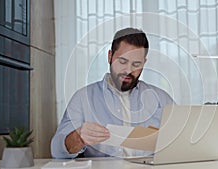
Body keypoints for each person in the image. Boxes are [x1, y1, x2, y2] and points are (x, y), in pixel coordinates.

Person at [51, 27, 174, 158]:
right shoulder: (82, 98)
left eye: (136, 64)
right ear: (110, 56)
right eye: (122, 61)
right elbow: (57, 151)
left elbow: (181, 143)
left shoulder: (162, 100)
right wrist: (78, 137)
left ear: (144, 63)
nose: (128, 70)